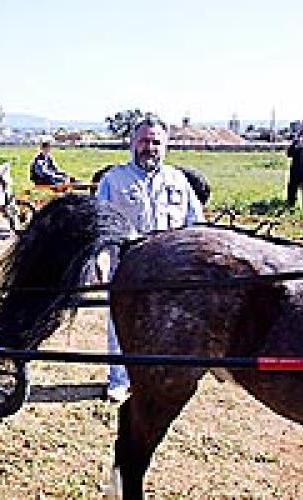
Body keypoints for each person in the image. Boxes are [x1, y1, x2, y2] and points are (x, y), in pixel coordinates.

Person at [96, 118, 204, 402]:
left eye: (156, 142)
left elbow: (196, 223)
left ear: (165, 146)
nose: (150, 147)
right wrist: (101, 259)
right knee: (122, 325)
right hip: (128, 268)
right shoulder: (113, 180)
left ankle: (161, 377)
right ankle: (119, 380)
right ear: (133, 143)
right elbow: (98, 225)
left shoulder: (178, 181)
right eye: (144, 141)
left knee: (170, 325)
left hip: (172, 270)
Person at [286, 124, 303, 208]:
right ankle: (291, 206)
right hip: (295, 169)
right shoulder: (296, 140)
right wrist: (296, 145)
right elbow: (289, 154)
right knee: (292, 189)